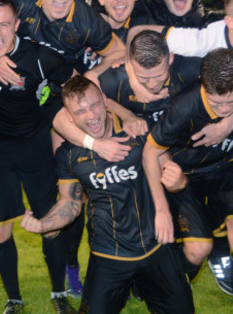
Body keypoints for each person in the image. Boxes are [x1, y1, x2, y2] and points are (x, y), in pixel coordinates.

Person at [21, 75, 194, 314]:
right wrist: (43, 225)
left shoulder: (138, 130)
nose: (91, 116)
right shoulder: (69, 155)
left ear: (104, 100)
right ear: (69, 117)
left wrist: (179, 180)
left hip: (157, 247)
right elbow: (70, 203)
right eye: (80, 111)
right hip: (109, 255)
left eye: (94, 105)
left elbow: (172, 177)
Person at [0, 0, 76, 314]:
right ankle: (13, 299)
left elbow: (77, 85)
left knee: (51, 225)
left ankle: (58, 293)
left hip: (36, 150)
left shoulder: (40, 57)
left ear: (16, 25)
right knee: (0, 229)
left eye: (3, 24)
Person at [142, 48, 233, 292]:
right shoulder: (183, 108)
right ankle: (170, 287)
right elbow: (150, 152)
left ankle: (221, 250)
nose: (224, 109)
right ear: (203, 84)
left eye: (231, 103)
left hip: (226, 169)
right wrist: (161, 209)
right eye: (217, 104)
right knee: (198, 248)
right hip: (187, 176)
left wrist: (227, 123)